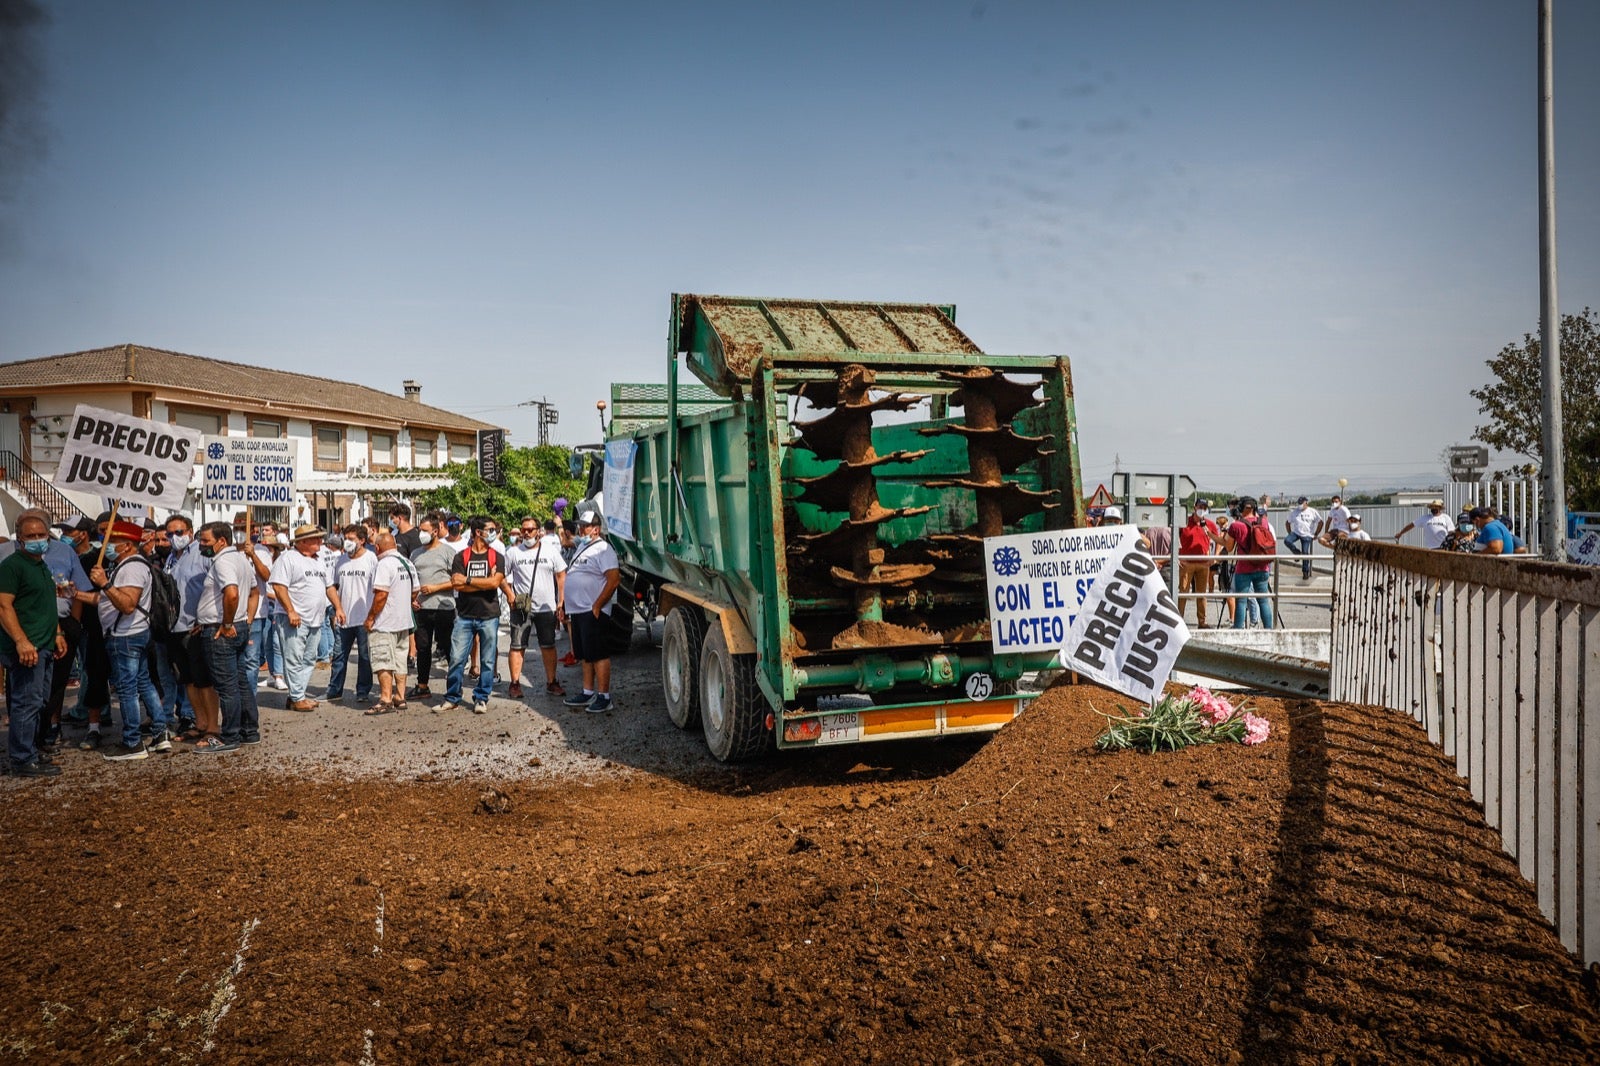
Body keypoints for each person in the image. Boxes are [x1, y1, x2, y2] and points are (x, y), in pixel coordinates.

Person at [88, 519, 168, 761]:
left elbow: (127, 604)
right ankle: (159, 733)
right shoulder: (125, 566)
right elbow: (106, 601)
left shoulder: (132, 567)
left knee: (127, 689)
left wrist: (104, 583)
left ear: (127, 545)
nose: (107, 546)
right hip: (130, 634)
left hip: (126, 636)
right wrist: (75, 594)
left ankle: (132, 742)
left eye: (112, 542)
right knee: (143, 683)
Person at [0, 513, 70, 776]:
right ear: (20, 539)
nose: (38, 540)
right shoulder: (12, 567)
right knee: (25, 703)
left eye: (42, 535)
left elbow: (47, 605)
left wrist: (58, 633)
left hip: (44, 644)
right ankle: (21, 759)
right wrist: (21, 641)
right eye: (31, 536)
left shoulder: (40, 565)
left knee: (38, 701)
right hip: (27, 647)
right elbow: (3, 606)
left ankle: (29, 750)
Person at [194, 521, 259, 752]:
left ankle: (230, 736)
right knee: (240, 683)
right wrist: (246, 620)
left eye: (205, 541)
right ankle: (249, 730)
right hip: (235, 626)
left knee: (227, 686)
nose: (201, 545)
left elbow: (231, 594)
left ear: (221, 541)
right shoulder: (240, 559)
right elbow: (253, 591)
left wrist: (228, 622)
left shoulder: (224, 561)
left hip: (222, 631)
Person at [438, 516, 505, 713]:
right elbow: (456, 584)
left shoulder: (496, 556)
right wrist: (483, 582)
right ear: (478, 532)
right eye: (490, 529)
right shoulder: (461, 557)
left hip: (489, 615)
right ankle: (452, 697)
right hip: (465, 616)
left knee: (487, 661)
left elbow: (495, 583)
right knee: (457, 658)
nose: (493, 533)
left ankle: (481, 698)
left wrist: (468, 580)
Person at [269, 524, 339, 711]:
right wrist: (291, 610)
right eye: (316, 538)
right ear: (303, 542)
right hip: (293, 618)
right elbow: (279, 586)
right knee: (294, 658)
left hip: (316, 618)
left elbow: (329, 587)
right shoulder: (288, 558)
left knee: (309, 658)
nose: (320, 542)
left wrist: (338, 607)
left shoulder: (318, 560)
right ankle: (298, 697)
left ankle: (295, 695)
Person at [561, 509, 621, 714]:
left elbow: (614, 579)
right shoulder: (583, 547)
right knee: (585, 655)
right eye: (580, 525)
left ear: (595, 529)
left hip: (592, 609)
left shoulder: (603, 549)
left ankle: (604, 696)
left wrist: (597, 605)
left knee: (598, 654)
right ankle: (587, 692)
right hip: (579, 610)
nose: (580, 529)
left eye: (584, 526)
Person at [505, 514, 567, 699]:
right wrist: (510, 595)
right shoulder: (513, 552)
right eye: (523, 530)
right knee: (517, 646)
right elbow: (501, 576)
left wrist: (560, 600)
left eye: (530, 530)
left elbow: (561, 574)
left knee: (548, 645)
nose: (526, 533)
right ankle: (515, 683)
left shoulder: (550, 551)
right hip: (522, 608)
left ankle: (552, 682)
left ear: (538, 532)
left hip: (546, 607)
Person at [364, 530, 417, 713]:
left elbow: (381, 595)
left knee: (383, 660)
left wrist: (371, 617)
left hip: (385, 622)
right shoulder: (407, 563)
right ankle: (400, 697)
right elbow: (415, 590)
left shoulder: (384, 564)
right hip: (404, 621)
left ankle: (385, 698)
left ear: (377, 547)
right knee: (401, 660)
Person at [325, 524, 376, 703]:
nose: (347, 542)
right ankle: (334, 690)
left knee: (364, 657)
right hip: (343, 618)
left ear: (362, 541)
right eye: (345, 538)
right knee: (338, 656)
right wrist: (338, 607)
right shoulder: (341, 561)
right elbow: (331, 586)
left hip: (364, 617)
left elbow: (379, 589)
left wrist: (373, 614)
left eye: (352, 539)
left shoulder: (371, 559)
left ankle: (363, 691)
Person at [409, 512, 452, 699]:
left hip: (444, 607)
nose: (421, 534)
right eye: (420, 530)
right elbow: (411, 580)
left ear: (435, 531)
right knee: (423, 648)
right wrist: (412, 599)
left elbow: (457, 581)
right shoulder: (415, 554)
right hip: (422, 609)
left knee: (448, 647)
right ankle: (422, 685)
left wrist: (436, 588)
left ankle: (454, 686)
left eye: (425, 530)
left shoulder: (448, 552)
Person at [1225, 497, 1275, 630]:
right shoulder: (1263, 522)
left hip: (1244, 568)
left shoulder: (1236, 525)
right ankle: (1268, 630)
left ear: (1240, 508)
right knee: (1263, 601)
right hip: (1262, 566)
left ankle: (1238, 630)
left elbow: (1229, 547)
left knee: (1241, 601)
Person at [1177, 501, 1222, 629]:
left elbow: (1217, 539)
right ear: (1194, 508)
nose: (1202, 509)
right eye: (1200, 507)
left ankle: (1202, 621)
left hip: (1204, 563)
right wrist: (1178, 557)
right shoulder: (1184, 522)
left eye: (1204, 508)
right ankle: (1179, 620)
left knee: (1202, 594)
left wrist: (1215, 556)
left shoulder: (1209, 525)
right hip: (1186, 563)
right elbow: (1173, 537)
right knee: (1183, 592)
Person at [1283, 497, 1322, 580]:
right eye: (1299, 504)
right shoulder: (1295, 512)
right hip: (1296, 533)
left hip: (1307, 535)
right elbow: (1287, 522)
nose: (1300, 506)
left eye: (1302, 504)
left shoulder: (1312, 511)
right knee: (1287, 540)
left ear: (1306, 503)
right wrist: (1290, 533)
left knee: (1305, 553)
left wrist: (1316, 534)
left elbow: (1320, 522)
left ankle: (1305, 572)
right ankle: (1296, 552)